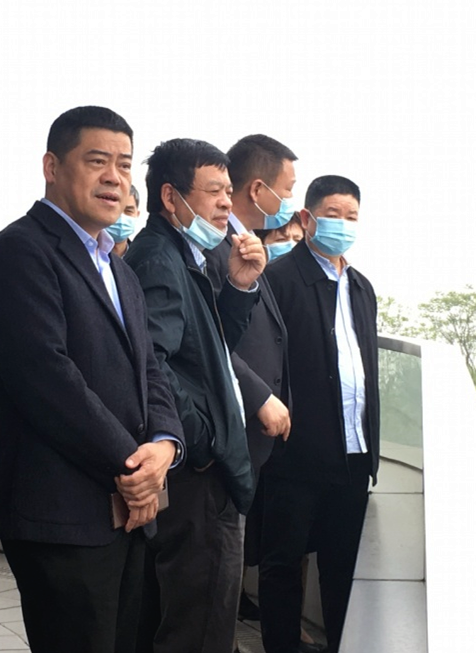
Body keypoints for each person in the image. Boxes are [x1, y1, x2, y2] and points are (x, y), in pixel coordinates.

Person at [0, 106, 184, 653]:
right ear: (52, 166)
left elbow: (150, 368)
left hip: (128, 511)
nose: (114, 177)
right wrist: (133, 468)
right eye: (96, 161)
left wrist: (165, 446)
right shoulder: (21, 251)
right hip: (62, 519)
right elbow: (48, 381)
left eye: (124, 164)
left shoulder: (116, 266)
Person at [124, 137, 265, 653]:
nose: (227, 203)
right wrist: (203, 442)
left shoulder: (187, 255)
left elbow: (207, 353)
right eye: (214, 192)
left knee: (192, 616)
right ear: (171, 197)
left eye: (228, 191)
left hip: (203, 469)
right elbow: (152, 365)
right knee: (200, 627)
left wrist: (240, 287)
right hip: (199, 478)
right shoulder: (159, 260)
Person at [258, 175, 380, 653]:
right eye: (333, 214)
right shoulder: (279, 279)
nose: (343, 224)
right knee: (283, 564)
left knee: (342, 568)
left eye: (352, 217)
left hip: (353, 454)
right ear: (307, 218)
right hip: (296, 452)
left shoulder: (362, 288)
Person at [202, 134, 297, 630]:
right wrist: (260, 396)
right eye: (288, 189)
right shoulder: (215, 249)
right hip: (225, 437)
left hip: (250, 441)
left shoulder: (247, 246)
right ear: (258, 190)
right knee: (211, 584)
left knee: (225, 575)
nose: (290, 202)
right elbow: (208, 337)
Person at [109, 184, 140, 257]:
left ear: (137, 214)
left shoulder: (143, 257)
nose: (121, 217)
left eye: (128, 211)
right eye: (115, 210)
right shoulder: (88, 254)